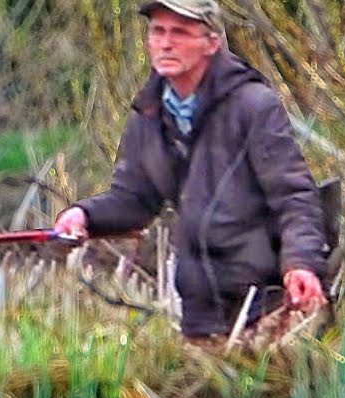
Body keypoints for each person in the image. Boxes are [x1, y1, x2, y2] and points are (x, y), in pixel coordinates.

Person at [53, 0, 329, 340]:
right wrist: (84, 215)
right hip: (198, 307)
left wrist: (301, 264)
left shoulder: (253, 105)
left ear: (211, 43)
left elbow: (294, 197)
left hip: (265, 300)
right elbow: (134, 200)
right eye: (158, 32)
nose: (166, 43)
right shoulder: (147, 115)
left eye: (180, 33)